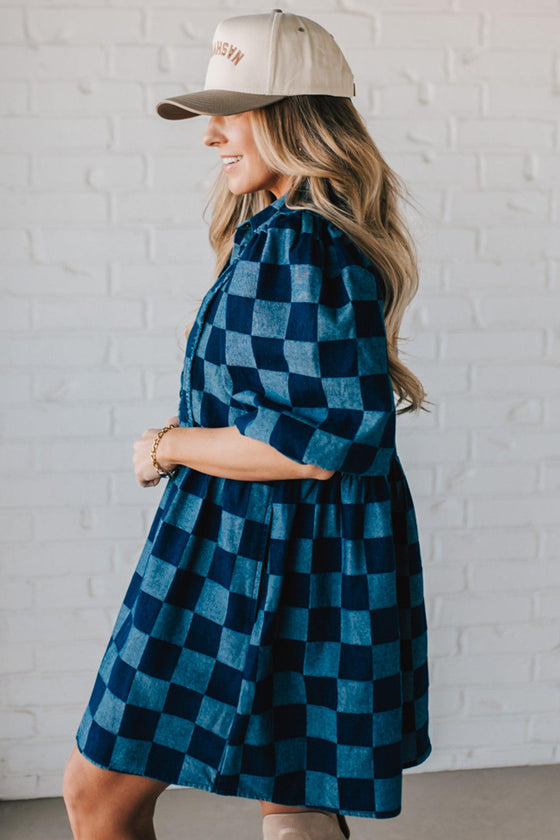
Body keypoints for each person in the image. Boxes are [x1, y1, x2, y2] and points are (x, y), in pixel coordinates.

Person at [63, 10, 432, 840]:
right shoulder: (296, 235)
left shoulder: (299, 242)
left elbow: (315, 442)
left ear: (296, 116)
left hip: (250, 550)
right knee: (293, 792)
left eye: (234, 110)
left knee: (98, 793)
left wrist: (167, 446)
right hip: (295, 550)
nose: (212, 135)